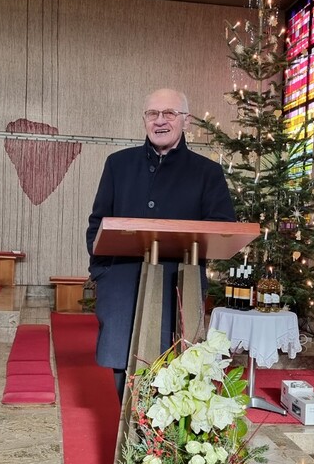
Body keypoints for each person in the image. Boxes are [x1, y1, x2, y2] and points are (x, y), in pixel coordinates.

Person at [86, 88, 236, 400]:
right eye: (153, 113)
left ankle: (165, 433)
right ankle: (130, 430)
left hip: (179, 285)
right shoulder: (118, 164)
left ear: (186, 120)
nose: (160, 120)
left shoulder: (207, 172)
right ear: (144, 119)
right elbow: (97, 224)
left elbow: (223, 227)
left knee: (177, 372)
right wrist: (102, 272)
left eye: (169, 113)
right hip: (122, 285)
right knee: (124, 370)